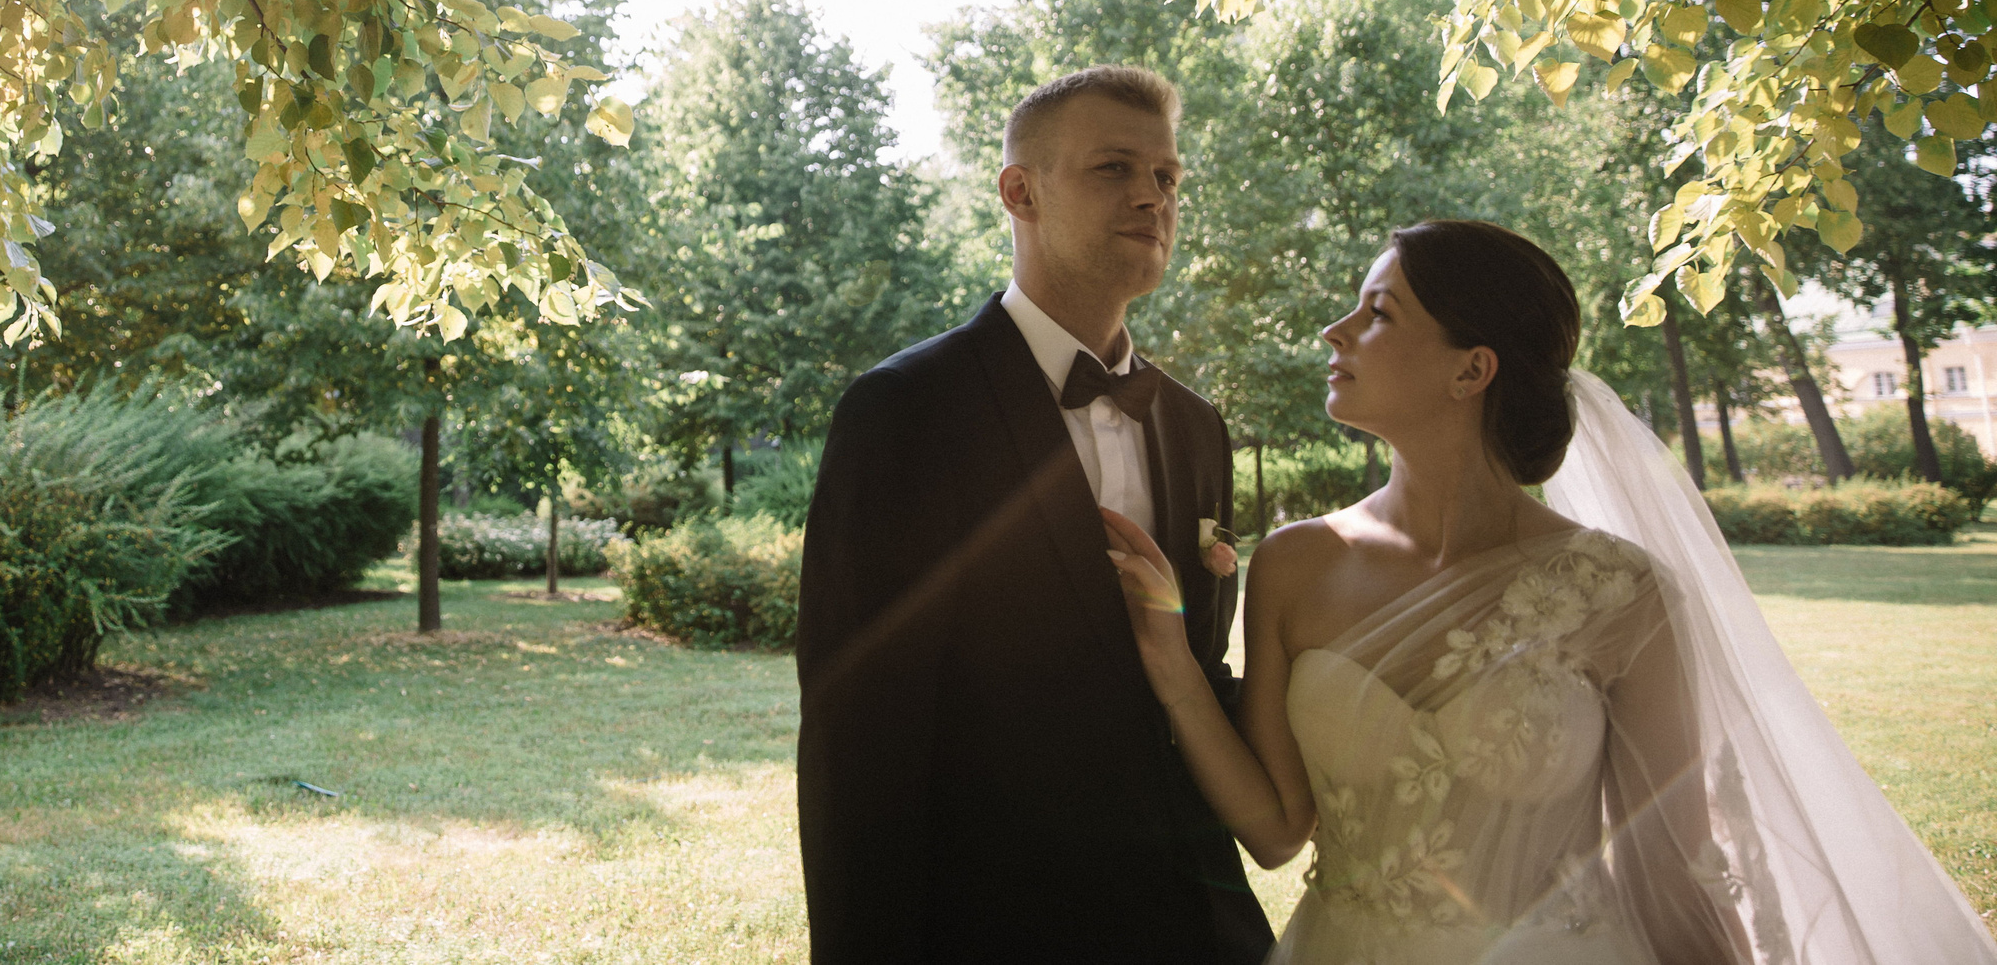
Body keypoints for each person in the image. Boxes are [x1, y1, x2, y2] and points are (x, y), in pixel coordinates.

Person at [1103, 219, 1997, 965]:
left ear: (1471, 369)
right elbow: (1276, 831)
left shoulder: (1620, 592)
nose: (1335, 331)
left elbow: (1674, 865)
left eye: (1377, 313)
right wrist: (1173, 667)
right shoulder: (1297, 563)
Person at [796, 65, 1272, 965]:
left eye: (1167, 176)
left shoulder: (1196, 426)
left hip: (1200, 928)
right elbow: (858, 740)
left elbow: (1198, 677)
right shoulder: (904, 412)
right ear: (1020, 192)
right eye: (1114, 168)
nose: (1153, 197)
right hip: (995, 929)